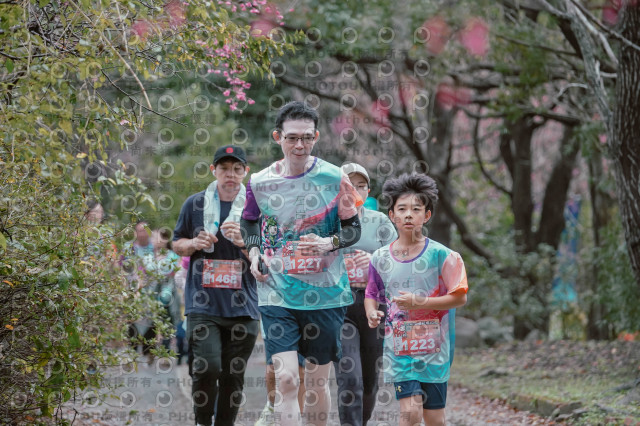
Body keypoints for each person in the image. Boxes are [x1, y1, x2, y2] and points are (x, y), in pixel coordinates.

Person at [240, 101, 363, 426]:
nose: (299, 145)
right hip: (276, 294)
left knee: (317, 383)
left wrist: (329, 242)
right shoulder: (260, 181)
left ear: (316, 137)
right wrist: (254, 253)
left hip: (326, 296)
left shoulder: (335, 177)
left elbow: (353, 228)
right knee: (287, 380)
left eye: (307, 138)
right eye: (292, 137)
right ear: (277, 137)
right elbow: (249, 221)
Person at [364, 173, 468, 426]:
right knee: (410, 414)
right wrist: (371, 312)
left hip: (435, 351)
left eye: (416, 209)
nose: (408, 215)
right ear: (392, 215)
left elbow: (459, 297)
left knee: (435, 420)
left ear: (427, 215)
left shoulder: (443, 255)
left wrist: (420, 303)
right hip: (400, 350)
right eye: (402, 209)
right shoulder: (380, 258)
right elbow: (371, 293)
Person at [172, 145, 259, 426]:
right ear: (214, 171)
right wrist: (193, 243)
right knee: (206, 367)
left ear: (245, 172)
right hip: (203, 304)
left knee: (233, 376)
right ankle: (202, 420)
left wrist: (244, 243)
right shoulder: (194, 204)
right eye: (224, 168)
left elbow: (268, 258)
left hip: (243, 305)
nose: (230, 174)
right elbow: (177, 243)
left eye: (236, 169)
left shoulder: (256, 208)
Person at [335, 163, 397, 426]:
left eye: (360, 186)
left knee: (370, 380)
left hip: (374, 305)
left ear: (368, 191)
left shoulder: (379, 222)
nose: (354, 190)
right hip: (339, 304)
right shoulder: (327, 222)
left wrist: (373, 260)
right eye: (348, 185)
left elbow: (398, 261)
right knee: (350, 377)